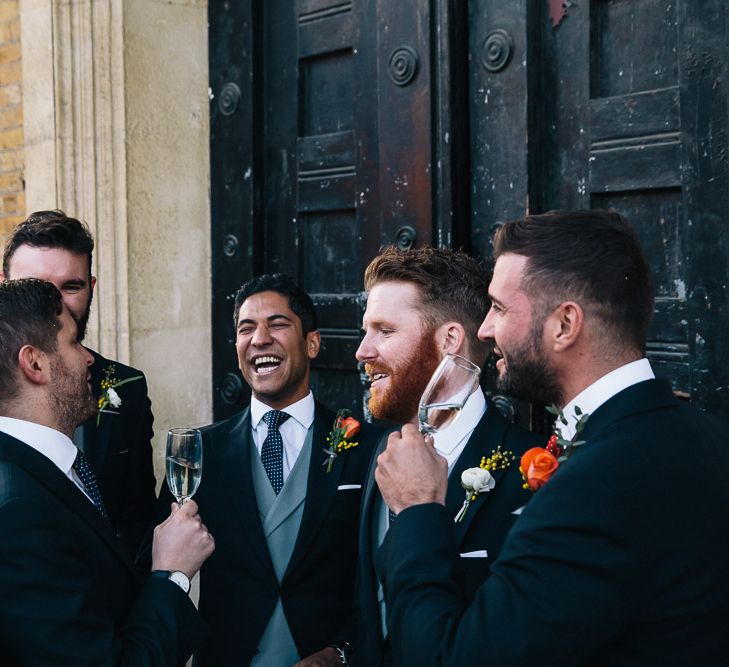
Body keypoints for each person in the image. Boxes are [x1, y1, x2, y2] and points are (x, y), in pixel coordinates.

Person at [374, 209, 729, 666]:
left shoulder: (594, 485)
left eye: (499, 308)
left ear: (564, 325)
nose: (484, 330)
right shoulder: (709, 438)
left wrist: (419, 509)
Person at [155, 273, 382, 666]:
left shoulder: (364, 448)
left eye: (277, 324)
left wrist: (343, 652)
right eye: (247, 329)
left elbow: (382, 579)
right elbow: (156, 565)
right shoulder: (200, 451)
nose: (259, 338)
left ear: (312, 343)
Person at [0, 278, 215, 665]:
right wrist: (172, 574)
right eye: (73, 342)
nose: (89, 358)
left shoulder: (45, 472)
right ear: (35, 363)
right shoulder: (18, 509)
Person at [354, 246, 540, 665]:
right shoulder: (382, 453)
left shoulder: (531, 470)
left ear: (450, 340)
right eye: (366, 331)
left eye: (384, 331)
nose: (362, 351)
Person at [1, 210, 156, 558]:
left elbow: (138, 519)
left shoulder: (126, 386)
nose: (56, 304)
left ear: (91, 287)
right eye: (36, 286)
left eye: (71, 287)